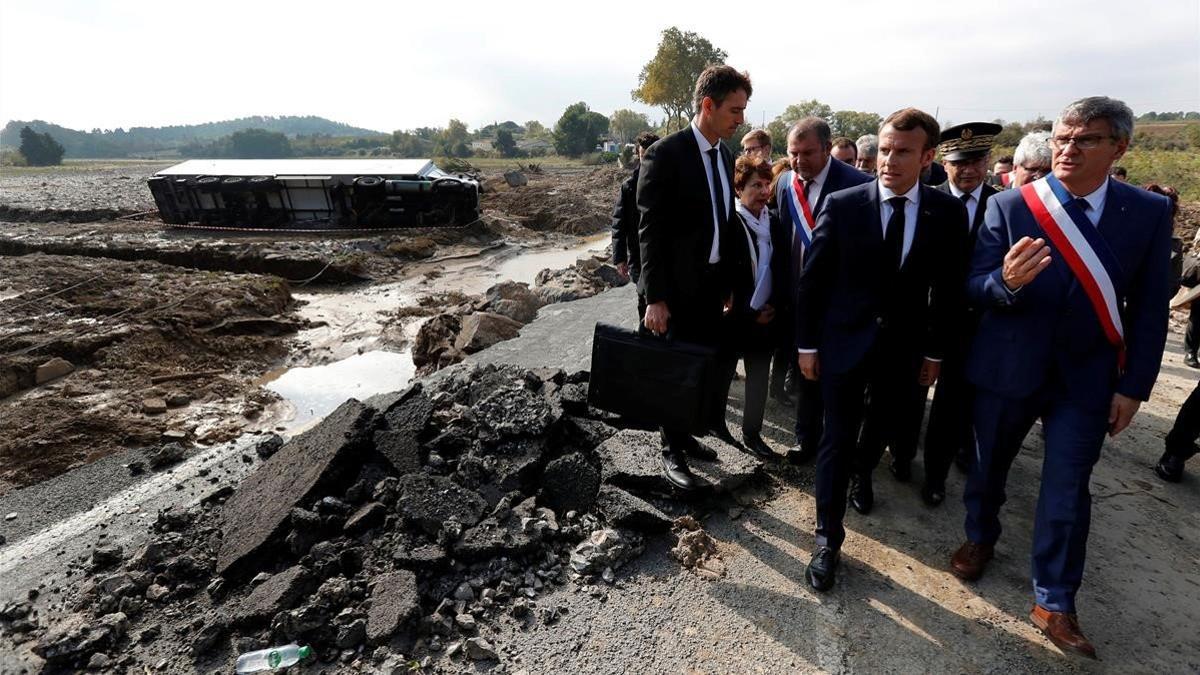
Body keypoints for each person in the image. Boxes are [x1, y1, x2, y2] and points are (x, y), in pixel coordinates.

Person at [951, 96, 1172, 659]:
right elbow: (972, 287)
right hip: (1009, 364)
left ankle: (1054, 598)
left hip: (1087, 377)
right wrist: (1003, 280)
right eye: (1061, 138)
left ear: (1119, 147)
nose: (1068, 149)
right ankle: (980, 536)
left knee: (1069, 487)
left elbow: (1149, 309)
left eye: (1085, 140)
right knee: (988, 465)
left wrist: (1134, 386)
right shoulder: (1012, 205)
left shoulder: (1145, 214)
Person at [795, 107, 969, 591]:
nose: (889, 161)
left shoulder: (947, 213)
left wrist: (935, 353)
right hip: (842, 346)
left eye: (903, 152)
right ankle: (828, 539)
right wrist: (807, 344)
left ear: (928, 157)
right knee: (836, 438)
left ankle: (863, 471)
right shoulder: (845, 203)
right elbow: (813, 281)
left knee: (883, 429)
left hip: (904, 350)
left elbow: (950, 291)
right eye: (885, 150)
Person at [863, 122, 1001, 510]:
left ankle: (936, 477)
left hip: (974, 327)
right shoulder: (924, 199)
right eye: (959, 162)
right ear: (943, 161)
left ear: (987, 161)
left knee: (951, 407)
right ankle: (900, 454)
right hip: (919, 327)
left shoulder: (1004, 205)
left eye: (976, 161)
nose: (968, 170)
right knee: (906, 399)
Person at [638, 65, 753, 491]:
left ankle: (685, 435)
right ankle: (671, 450)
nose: (740, 120)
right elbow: (649, 231)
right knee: (674, 369)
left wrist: (726, 286)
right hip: (674, 292)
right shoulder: (665, 154)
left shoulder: (724, 156)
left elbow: (723, 221)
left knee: (699, 368)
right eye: (735, 110)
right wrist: (656, 297)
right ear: (708, 105)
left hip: (709, 290)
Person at [775, 117, 874, 466]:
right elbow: (782, 236)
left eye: (807, 153)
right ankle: (806, 439)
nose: (798, 161)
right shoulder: (785, 183)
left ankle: (839, 444)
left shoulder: (859, 185)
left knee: (836, 376)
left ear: (827, 147)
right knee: (804, 372)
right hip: (796, 299)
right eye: (792, 153)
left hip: (838, 302)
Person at [723, 155, 793, 459]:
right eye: (756, 185)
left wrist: (773, 306)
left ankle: (752, 434)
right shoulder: (729, 223)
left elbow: (783, 268)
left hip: (766, 319)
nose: (764, 191)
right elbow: (721, 273)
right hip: (734, 319)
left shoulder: (774, 222)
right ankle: (715, 427)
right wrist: (747, 310)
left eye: (767, 184)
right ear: (739, 188)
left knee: (758, 381)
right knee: (721, 374)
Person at [611, 131, 660, 318]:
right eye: (642, 155)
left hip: (665, 256)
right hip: (638, 255)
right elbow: (618, 223)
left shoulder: (671, 182)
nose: (646, 160)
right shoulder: (629, 186)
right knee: (644, 300)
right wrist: (620, 258)